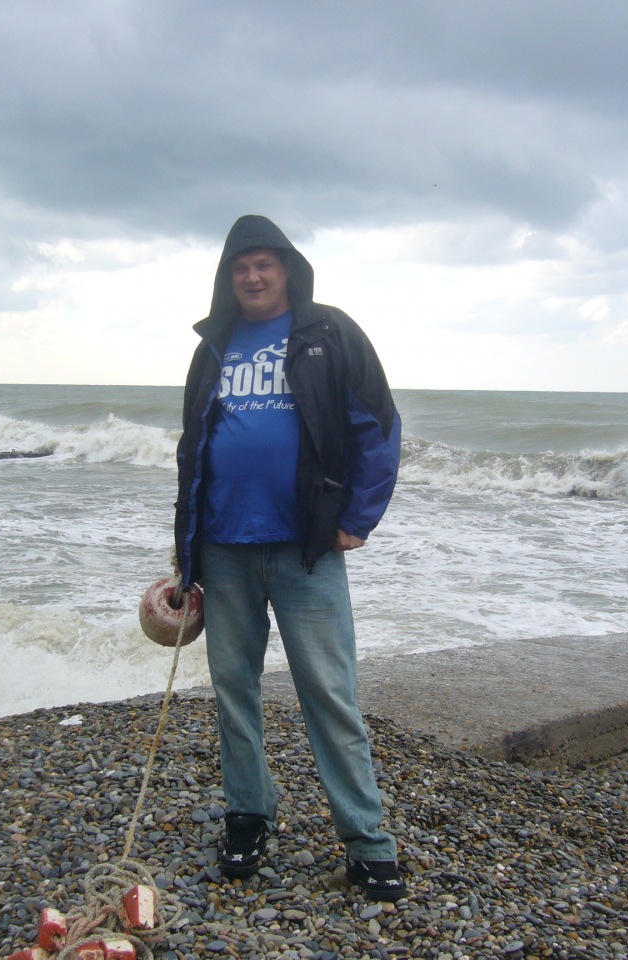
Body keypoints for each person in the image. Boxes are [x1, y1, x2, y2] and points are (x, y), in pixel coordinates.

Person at [174, 214, 406, 901]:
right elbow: (193, 452)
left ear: (286, 270)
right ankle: (248, 816)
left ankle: (368, 843)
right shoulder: (214, 346)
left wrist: (357, 518)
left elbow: (379, 425)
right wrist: (186, 552)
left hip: (307, 550)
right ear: (228, 277)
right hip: (224, 548)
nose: (252, 277)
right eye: (240, 267)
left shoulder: (327, 333)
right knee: (232, 689)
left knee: (329, 693)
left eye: (263, 265)